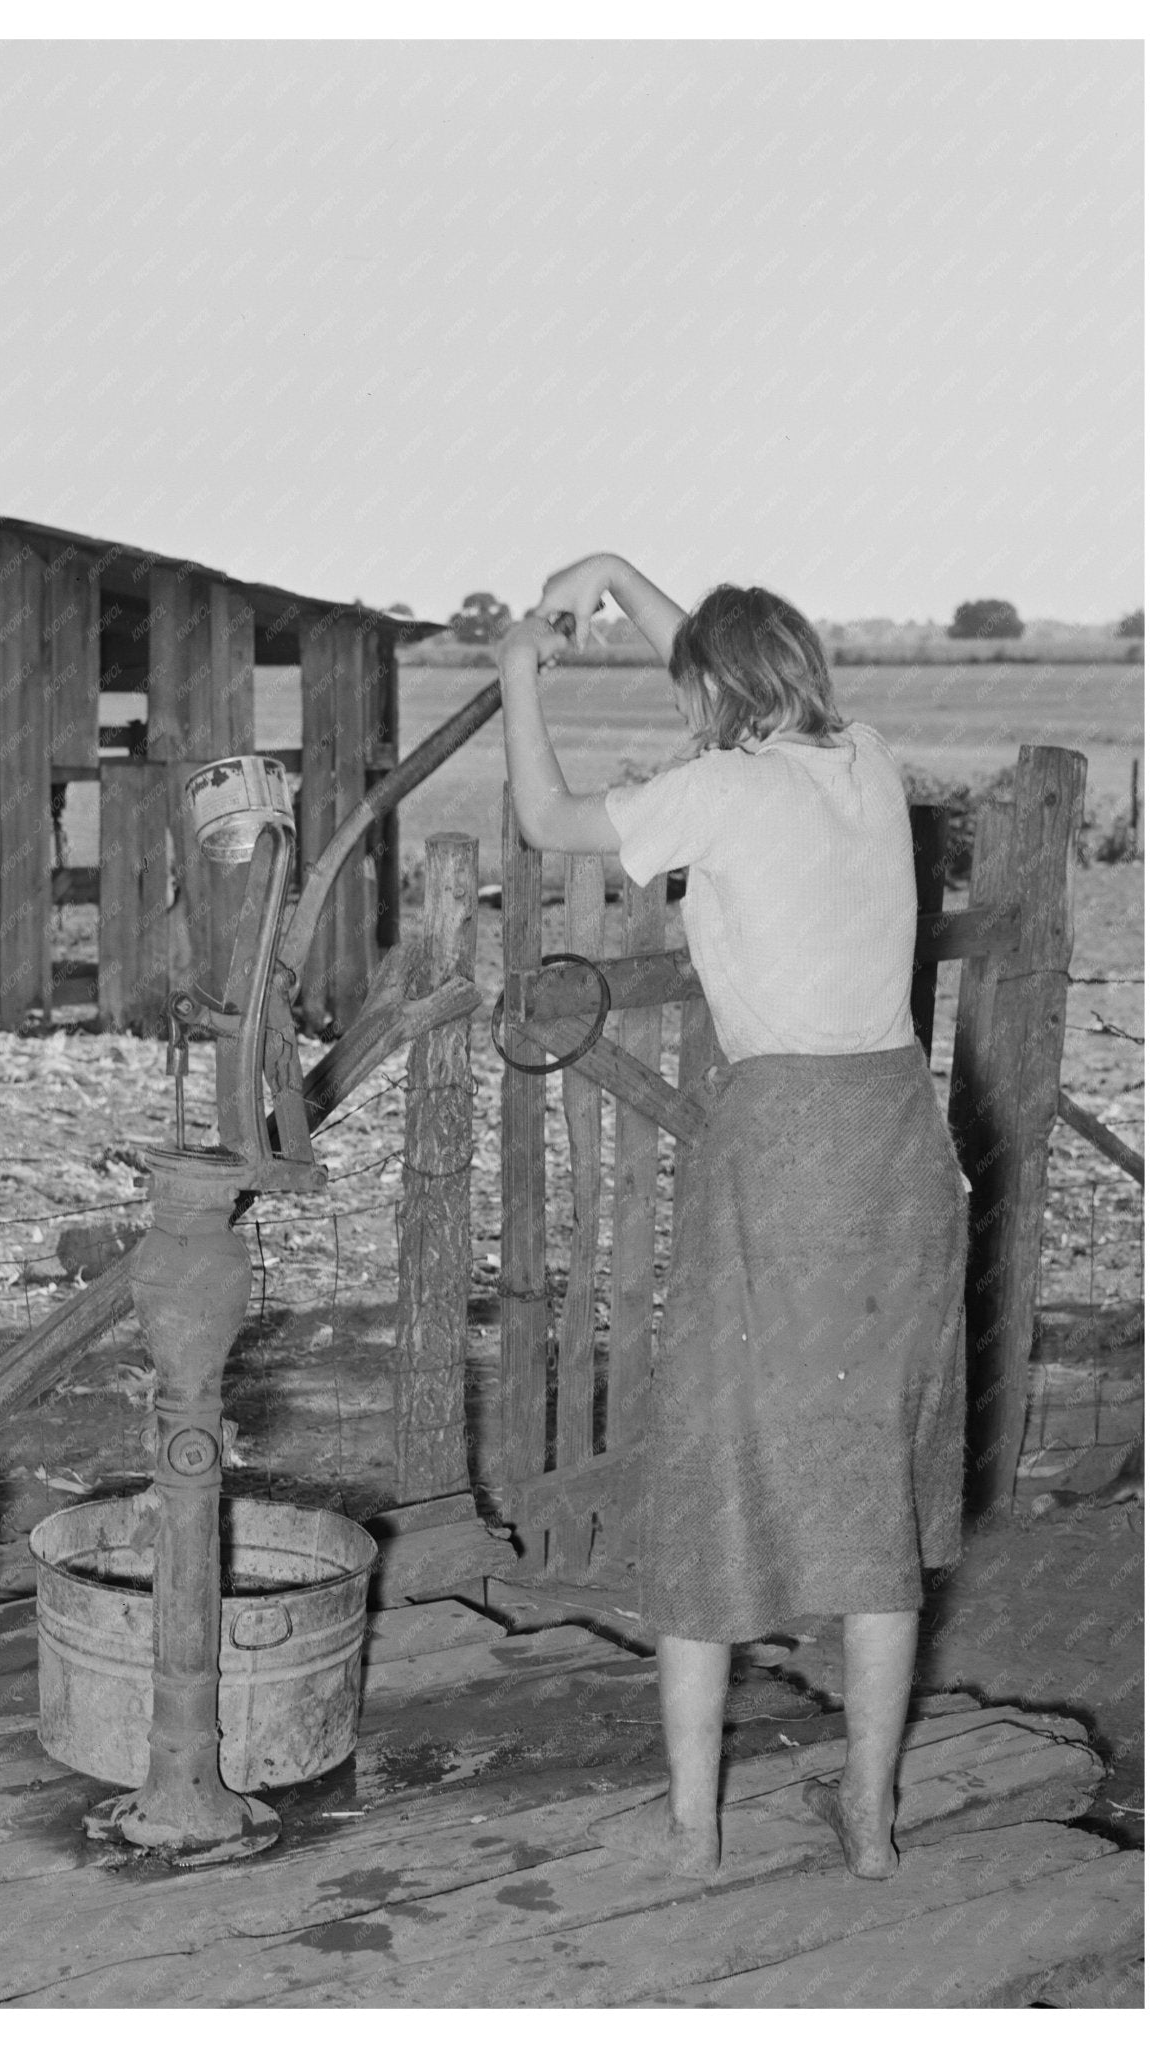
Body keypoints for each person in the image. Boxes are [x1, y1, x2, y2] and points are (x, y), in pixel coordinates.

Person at [496, 554, 968, 1881]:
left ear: (713, 693)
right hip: (898, 1144)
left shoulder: (712, 791)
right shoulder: (864, 758)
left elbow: (543, 815)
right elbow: (718, 666)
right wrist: (612, 574)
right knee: (869, 1479)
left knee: (707, 1469)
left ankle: (696, 1829)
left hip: (785, 1151)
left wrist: (519, 675)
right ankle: (870, 1827)